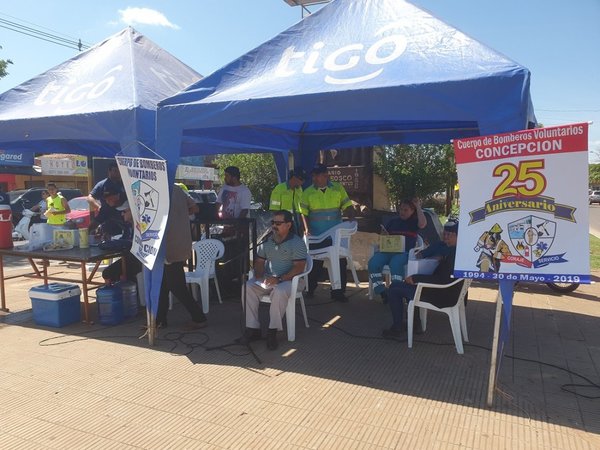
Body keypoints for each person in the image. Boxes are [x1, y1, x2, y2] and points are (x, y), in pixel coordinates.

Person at [239, 210, 307, 350]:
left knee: (280, 291)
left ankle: (272, 331)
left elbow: (299, 268)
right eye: (272, 223)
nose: (274, 226)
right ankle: (253, 329)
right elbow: (259, 262)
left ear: (288, 225)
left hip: (291, 281)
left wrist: (279, 278)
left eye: (278, 223)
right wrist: (259, 277)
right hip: (270, 279)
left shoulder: (297, 242)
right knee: (248, 287)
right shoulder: (268, 242)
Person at [383, 220, 463, 339]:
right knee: (396, 285)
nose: (446, 236)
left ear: (458, 236)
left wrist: (416, 278)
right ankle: (414, 325)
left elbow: (442, 280)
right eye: (445, 233)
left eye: (450, 234)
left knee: (394, 290)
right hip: (445, 290)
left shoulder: (454, 255)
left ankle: (397, 328)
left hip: (442, 294)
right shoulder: (459, 252)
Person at [300, 163, 355, 302]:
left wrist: (351, 220)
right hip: (317, 235)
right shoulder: (307, 192)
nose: (314, 178)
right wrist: (307, 229)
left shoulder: (337, 188)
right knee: (315, 262)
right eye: (313, 175)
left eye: (317, 175)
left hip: (335, 234)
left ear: (325, 175)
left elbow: (348, 205)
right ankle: (310, 289)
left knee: (340, 261)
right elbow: (303, 214)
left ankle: (338, 292)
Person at [155, 184, 206, 329]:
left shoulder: (158, 189)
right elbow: (195, 208)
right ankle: (160, 319)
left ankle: (199, 317)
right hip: (181, 241)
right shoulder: (178, 189)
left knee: (176, 286)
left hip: (169, 244)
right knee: (163, 285)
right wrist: (182, 213)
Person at [368, 198, 427, 302]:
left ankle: (397, 292)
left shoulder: (414, 222)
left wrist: (418, 207)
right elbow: (384, 237)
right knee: (373, 262)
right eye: (401, 209)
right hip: (388, 251)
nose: (402, 212)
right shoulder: (393, 222)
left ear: (412, 211)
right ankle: (382, 292)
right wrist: (384, 235)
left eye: (406, 210)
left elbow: (423, 224)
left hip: (404, 253)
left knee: (395, 263)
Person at [100, 200, 142, 284]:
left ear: (133, 211)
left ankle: (115, 294)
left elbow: (128, 243)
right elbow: (124, 240)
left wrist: (110, 244)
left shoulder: (139, 225)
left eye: (124, 211)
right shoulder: (129, 225)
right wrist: (110, 240)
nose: (122, 214)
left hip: (139, 261)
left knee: (108, 273)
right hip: (130, 258)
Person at [269, 167, 307, 233]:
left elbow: (301, 210)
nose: (303, 182)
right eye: (301, 179)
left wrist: (303, 226)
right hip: (284, 225)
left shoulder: (299, 190)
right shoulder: (279, 189)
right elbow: (274, 209)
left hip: (296, 224)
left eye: (304, 180)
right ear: (294, 178)